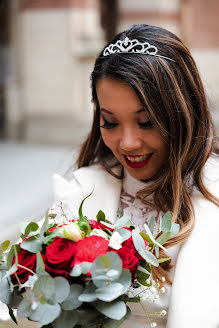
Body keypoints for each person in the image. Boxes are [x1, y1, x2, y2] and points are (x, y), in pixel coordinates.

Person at [52, 24, 219, 328]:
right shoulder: (79, 192)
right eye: (110, 122)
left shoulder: (213, 200)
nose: (127, 143)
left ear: (183, 113)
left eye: (146, 122)